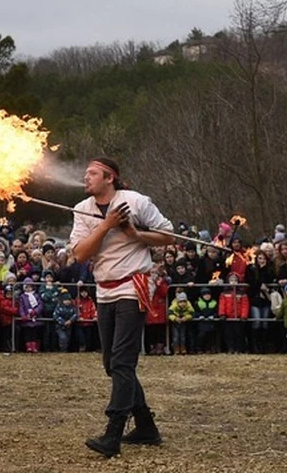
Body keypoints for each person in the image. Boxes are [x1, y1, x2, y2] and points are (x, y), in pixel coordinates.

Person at [70, 157, 173, 457]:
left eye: (91, 174)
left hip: (132, 286)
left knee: (122, 362)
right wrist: (107, 226)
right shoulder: (82, 209)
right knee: (110, 364)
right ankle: (146, 427)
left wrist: (135, 235)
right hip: (104, 290)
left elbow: (168, 236)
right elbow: (80, 255)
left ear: (109, 178)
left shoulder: (136, 202)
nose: (85, 178)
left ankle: (113, 434)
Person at [18, 277, 43, 353]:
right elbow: (21, 307)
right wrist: (23, 315)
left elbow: (40, 305)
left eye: (30, 286)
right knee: (27, 333)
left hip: (35, 317)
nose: (28, 288)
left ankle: (34, 346)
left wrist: (35, 312)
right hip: (27, 318)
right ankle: (28, 346)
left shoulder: (36, 295)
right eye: (26, 287)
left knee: (35, 333)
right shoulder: (22, 297)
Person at [168, 291, 193, 355]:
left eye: (184, 302)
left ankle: (183, 348)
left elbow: (191, 313)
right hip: (175, 323)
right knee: (175, 336)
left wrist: (186, 318)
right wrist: (175, 318)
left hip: (183, 323)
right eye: (180, 302)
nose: (182, 303)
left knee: (183, 336)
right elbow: (169, 314)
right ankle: (176, 348)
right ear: (178, 302)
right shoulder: (173, 306)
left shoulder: (189, 306)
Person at [194, 287, 218, 354]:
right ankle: (199, 348)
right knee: (201, 335)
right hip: (202, 322)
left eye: (208, 294)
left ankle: (210, 348)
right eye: (205, 295)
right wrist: (199, 316)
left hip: (211, 322)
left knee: (211, 335)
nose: (207, 296)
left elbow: (217, 312)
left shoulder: (214, 303)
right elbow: (195, 312)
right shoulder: (198, 303)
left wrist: (213, 316)